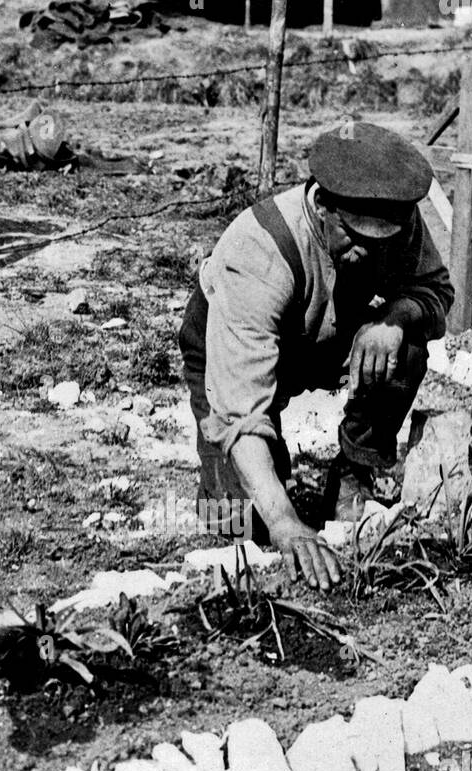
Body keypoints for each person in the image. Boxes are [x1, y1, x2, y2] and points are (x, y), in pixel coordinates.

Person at [179, 120, 454, 591]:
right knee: (237, 523)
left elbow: (436, 291)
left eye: (379, 241)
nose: (367, 253)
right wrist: (286, 523)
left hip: (328, 338)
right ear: (322, 205)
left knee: (405, 345)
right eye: (353, 236)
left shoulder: (397, 224)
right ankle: (251, 493)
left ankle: (354, 469)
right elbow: (241, 411)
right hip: (234, 352)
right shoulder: (257, 253)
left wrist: (394, 319)